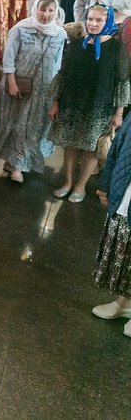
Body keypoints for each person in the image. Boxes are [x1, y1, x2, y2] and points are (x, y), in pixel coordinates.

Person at [50, 5, 130, 203]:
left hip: (99, 108)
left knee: (91, 148)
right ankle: (68, 182)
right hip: (71, 104)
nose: (93, 24)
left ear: (108, 22)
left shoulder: (117, 48)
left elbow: (122, 81)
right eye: (90, 19)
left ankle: (80, 186)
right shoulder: (77, 44)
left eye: (98, 20)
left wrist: (119, 113)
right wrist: (55, 101)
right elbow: (63, 74)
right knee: (69, 145)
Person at [0, 0, 66, 182]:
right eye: (43, 9)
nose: (46, 14)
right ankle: (16, 164)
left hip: (44, 89)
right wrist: (12, 82)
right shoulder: (20, 29)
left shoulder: (59, 34)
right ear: (36, 9)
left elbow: (58, 64)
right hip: (20, 86)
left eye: (50, 10)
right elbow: (8, 58)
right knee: (17, 125)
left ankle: (18, 163)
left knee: (34, 127)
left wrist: (56, 93)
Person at [91, 114, 131, 332]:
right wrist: (105, 185)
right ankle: (124, 302)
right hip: (125, 194)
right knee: (124, 254)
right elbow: (117, 149)